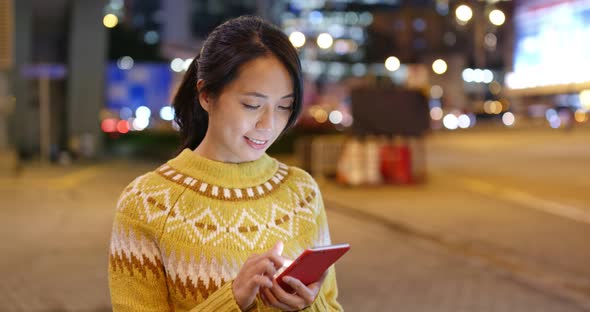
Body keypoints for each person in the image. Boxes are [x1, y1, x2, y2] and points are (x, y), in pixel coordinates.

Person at [108, 16, 343, 311]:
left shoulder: (302, 192)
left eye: (284, 106)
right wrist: (232, 299)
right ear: (206, 94)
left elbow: (332, 305)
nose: (269, 124)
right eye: (252, 105)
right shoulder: (147, 203)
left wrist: (310, 304)